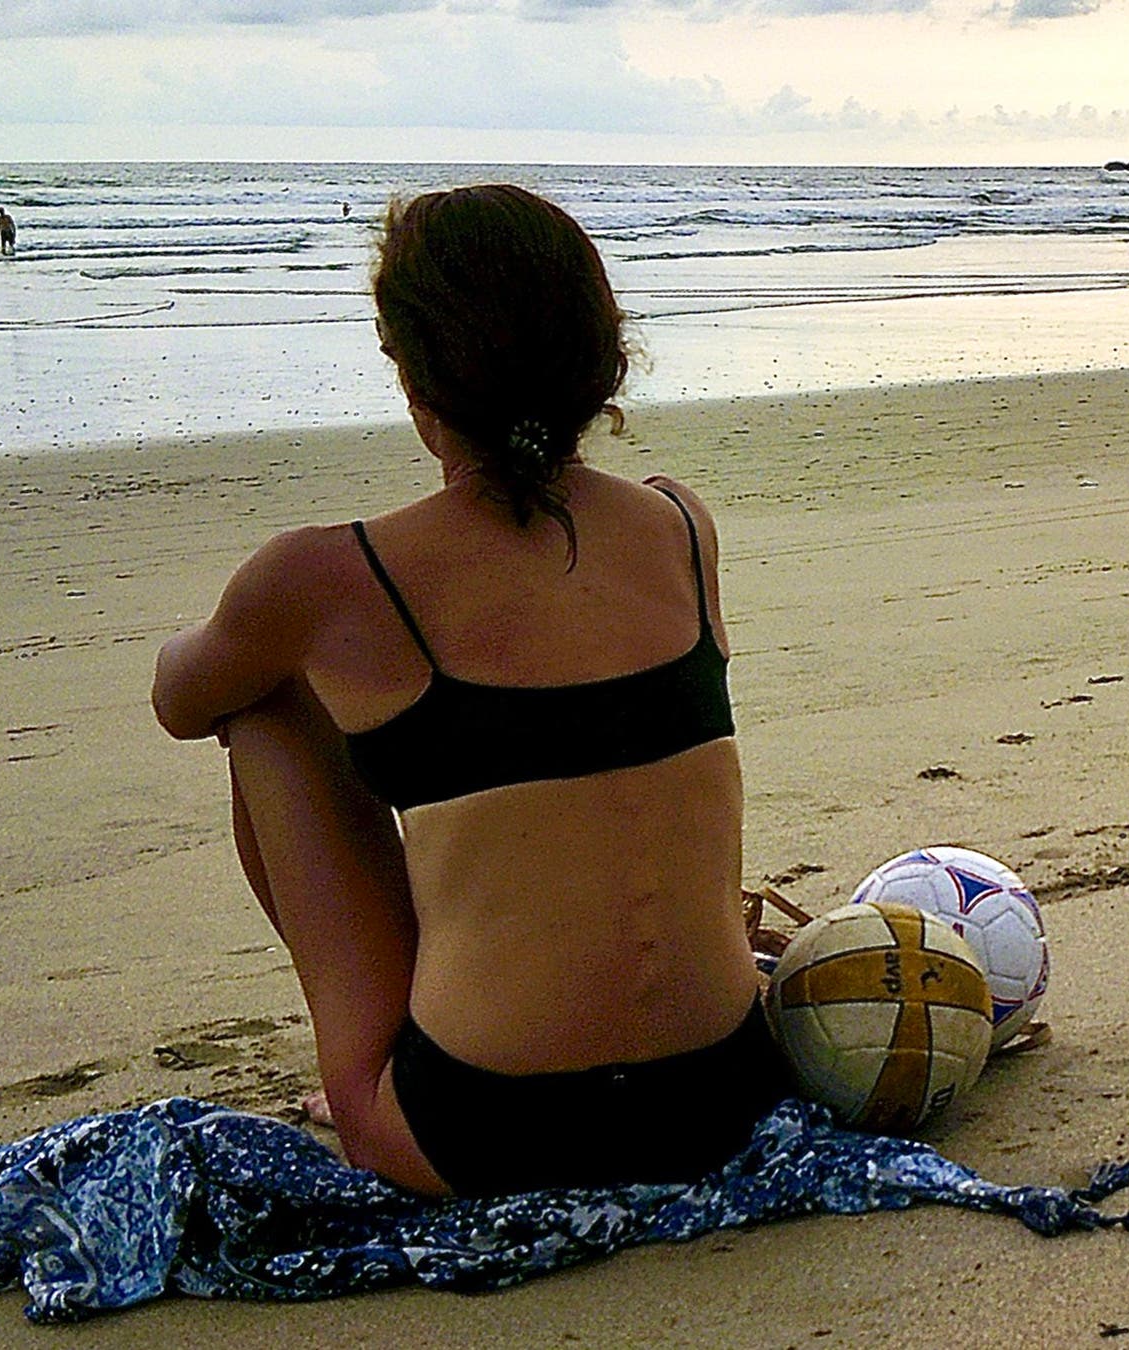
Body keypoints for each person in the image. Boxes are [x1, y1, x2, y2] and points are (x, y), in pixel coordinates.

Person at [151, 184, 786, 1198]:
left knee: (264, 702)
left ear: (415, 375)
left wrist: (275, 625)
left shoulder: (330, 577)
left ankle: (367, 1077)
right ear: (602, 354)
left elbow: (179, 700)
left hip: (491, 1134)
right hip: (722, 1103)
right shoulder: (680, 524)